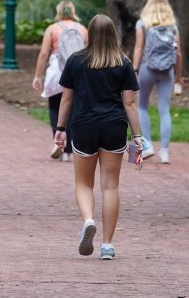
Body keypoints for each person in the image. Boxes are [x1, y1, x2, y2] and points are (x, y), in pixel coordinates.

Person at [54, 14, 143, 261]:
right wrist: (137, 137)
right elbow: (130, 103)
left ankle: (88, 220)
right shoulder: (123, 63)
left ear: (89, 34)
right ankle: (107, 245)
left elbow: (67, 99)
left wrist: (60, 128)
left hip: (83, 125)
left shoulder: (76, 61)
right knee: (111, 185)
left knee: (84, 183)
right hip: (114, 126)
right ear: (113, 34)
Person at [32, 0, 88, 162]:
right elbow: (89, 53)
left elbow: (43, 54)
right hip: (77, 71)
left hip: (57, 70)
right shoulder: (82, 29)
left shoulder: (52, 29)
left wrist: (37, 76)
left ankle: (58, 141)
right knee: (71, 108)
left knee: (55, 106)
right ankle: (68, 151)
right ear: (73, 11)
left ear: (58, 11)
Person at [132, 0, 184, 164]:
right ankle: (165, 153)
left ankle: (147, 146)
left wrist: (134, 70)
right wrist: (178, 76)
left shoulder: (143, 23)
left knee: (142, 106)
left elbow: (139, 48)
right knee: (164, 109)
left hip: (147, 68)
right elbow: (178, 54)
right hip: (167, 71)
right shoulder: (173, 26)